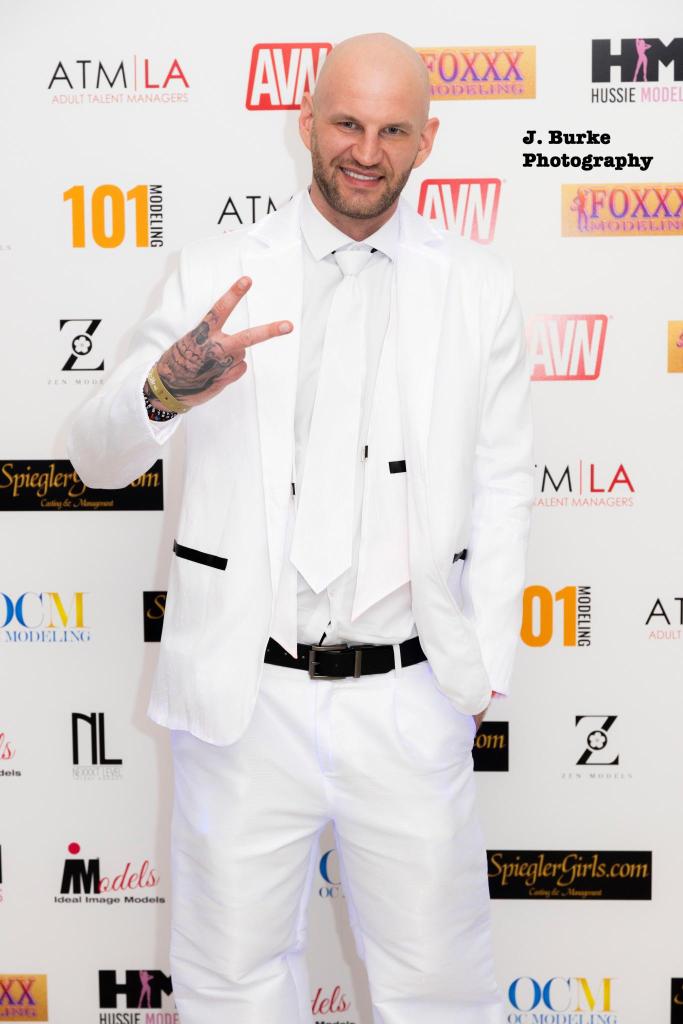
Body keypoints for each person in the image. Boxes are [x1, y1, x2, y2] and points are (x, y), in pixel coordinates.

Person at [67, 31, 534, 1024]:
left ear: (426, 141)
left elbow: (502, 486)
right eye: (346, 124)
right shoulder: (216, 270)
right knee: (230, 989)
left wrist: (479, 675)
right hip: (246, 700)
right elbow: (96, 457)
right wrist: (163, 390)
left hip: (409, 695)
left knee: (441, 992)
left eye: (392, 130)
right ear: (305, 123)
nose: (365, 151)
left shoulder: (477, 287)